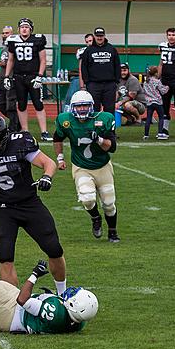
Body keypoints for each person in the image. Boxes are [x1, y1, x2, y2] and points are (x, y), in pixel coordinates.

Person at [0, 114, 67, 292]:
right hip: (3, 209)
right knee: (5, 256)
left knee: (54, 248)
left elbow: (48, 163)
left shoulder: (20, 143)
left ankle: (63, 292)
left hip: (29, 203)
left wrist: (47, 177)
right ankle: (13, 305)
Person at [0, 261, 98, 334]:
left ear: (74, 306)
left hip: (9, 313)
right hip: (16, 311)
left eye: (73, 296)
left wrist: (34, 275)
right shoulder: (79, 321)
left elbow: (22, 300)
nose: (72, 292)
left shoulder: (55, 312)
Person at [53, 90, 119, 241]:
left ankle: (112, 231)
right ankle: (96, 218)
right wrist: (60, 158)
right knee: (87, 199)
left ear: (91, 106)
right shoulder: (65, 120)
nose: (82, 109)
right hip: (81, 166)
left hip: (102, 166)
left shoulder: (104, 118)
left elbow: (112, 147)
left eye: (85, 106)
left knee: (109, 204)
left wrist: (99, 140)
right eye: (79, 106)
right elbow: (58, 138)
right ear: (72, 108)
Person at [2, 18, 51, 140]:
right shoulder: (13, 40)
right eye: (22, 27)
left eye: (27, 27)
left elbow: (43, 60)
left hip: (33, 76)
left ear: (31, 29)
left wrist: (40, 76)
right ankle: (25, 131)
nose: (24, 29)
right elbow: (11, 60)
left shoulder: (38, 40)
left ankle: (44, 132)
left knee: (38, 104)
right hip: (18, 77)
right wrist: (7, 76)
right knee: (21, 104)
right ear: (18, 29)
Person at [78, 26, 121, 118]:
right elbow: (84, 67)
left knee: (109, 109)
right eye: (97, 36)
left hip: (109, 84)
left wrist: (116, 81)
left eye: (101, 36)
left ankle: (110, 131)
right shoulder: (88, 50)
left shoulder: (111, 49)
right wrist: (87, 82)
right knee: (94, 109)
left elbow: (117, 65)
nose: (99, 38)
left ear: (104, 36)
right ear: (94, 36)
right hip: (93, 85)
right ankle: (95, 130)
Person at [0, 25, 19, 132]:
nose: (4, 35)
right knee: (0, 104)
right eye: (3, 33)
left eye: (7, 33)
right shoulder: (4, 48)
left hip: (11, 78)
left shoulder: (16, 47)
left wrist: (7, 64)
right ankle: (16, 121)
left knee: (10, 103)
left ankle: (14, 126)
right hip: (3, 78)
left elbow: (16, 62)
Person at [141, 66, 169, 140]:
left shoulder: (145, 82)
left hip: (149, 102)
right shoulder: (157, 81)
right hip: (157, 102)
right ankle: (160, 133)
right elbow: (163, 91)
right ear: (156, 73)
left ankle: (146, 134)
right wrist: (167, 87)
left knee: (148, 118)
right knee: (161, 117)